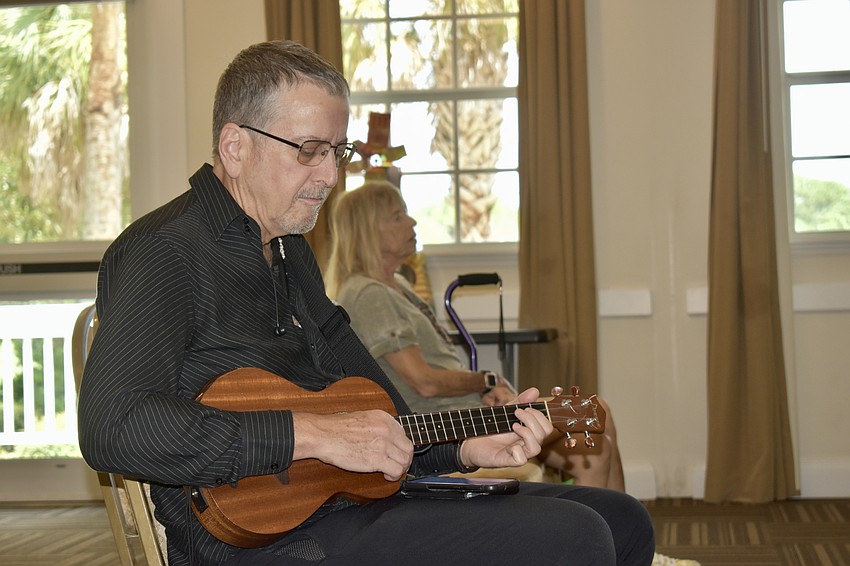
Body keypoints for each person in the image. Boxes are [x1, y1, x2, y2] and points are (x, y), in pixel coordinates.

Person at [77, 40, 654, 565]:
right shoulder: (164, 251)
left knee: (622, 520)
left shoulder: (290, 252)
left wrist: (463, 448)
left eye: (338, 151)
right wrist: (312, 434)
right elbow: (110, 426)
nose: (331, 175)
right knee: (576, 535)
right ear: (235, 147)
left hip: (352, 506)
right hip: (266, 545)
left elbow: (383, 424)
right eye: (309, 150)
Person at [325, 181, 626, 491]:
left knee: (597, 434)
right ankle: (596, 522)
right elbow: (424, 382)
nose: (412, 221)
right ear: (366, 230)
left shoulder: (397, 285)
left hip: (466, 410)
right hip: (443, 428)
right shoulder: (369, 295)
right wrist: (485, 381)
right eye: (397, 216)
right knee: (594, 414)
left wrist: (484, 391)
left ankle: (619, 523)